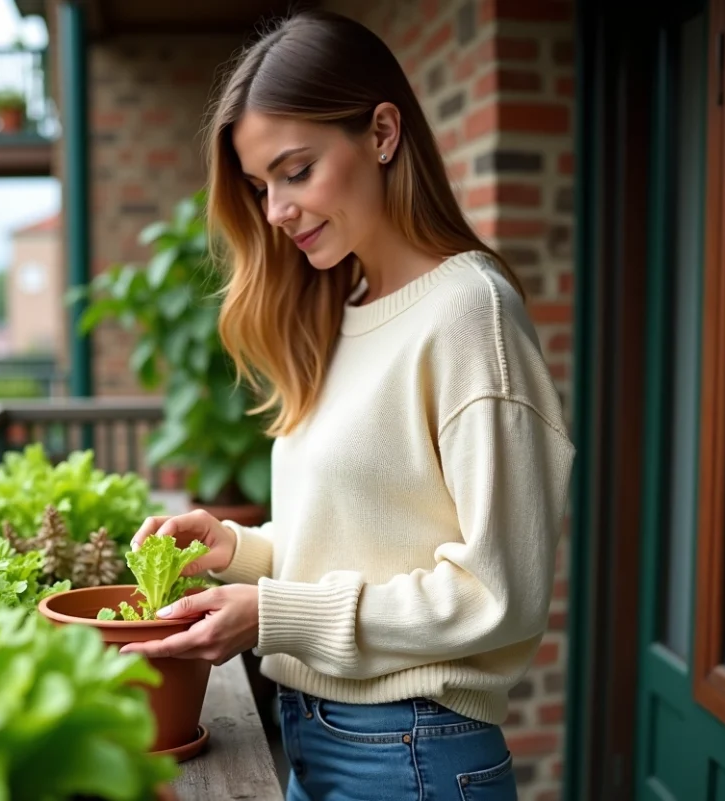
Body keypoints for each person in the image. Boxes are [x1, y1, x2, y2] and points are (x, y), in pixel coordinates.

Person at [120, 9, 576, 801]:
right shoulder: (345, 305)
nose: (275, 212)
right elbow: (369, 541)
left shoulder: (471, 314)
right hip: (318, 737)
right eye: (262, 187)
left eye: (297, 171)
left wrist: (272, 613)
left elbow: (495, 593)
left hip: (414, 752)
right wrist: (235, 550)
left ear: (383, 133)